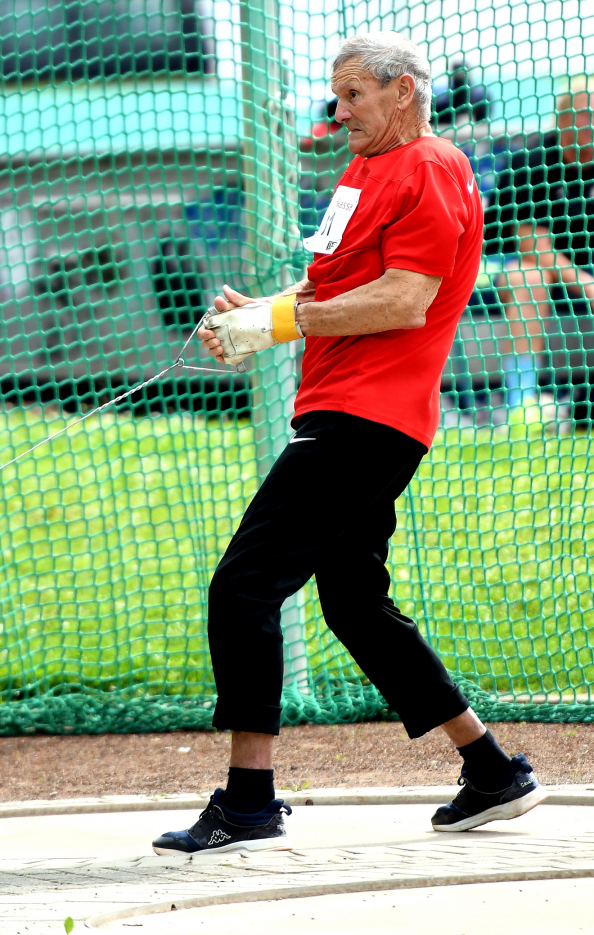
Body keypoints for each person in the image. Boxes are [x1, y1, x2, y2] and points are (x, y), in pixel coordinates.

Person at [151, 31, 547, 857]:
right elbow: (329, 286)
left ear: (403, 91)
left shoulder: (433, 165)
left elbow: (405, 299)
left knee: (244, 586)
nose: (339, 109)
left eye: (354, 94)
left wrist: (276, 323)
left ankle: (249, 798)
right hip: (344, 409)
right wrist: (255, 315)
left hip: (369, 417)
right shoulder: (363, 170)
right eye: (337, 95)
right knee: (354, 603)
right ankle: (491, 771)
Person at [484, 79, 594, 420]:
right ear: (560, 119)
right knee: (525, 277)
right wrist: (590, 286)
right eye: (577, 115)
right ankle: (522, 404)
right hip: (539, 270)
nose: (585, 123)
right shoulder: (530, 162)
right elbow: (536, 247)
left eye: (590, 115)